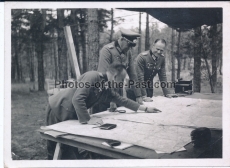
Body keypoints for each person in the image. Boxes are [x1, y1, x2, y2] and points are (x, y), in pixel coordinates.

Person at [46, 62, 161, 160]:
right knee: (55, 147)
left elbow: (122, 100)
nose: (121, 85)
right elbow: (77, 99)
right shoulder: (93, 76)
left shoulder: (106, 87)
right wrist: (88, 119)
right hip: (57, 108)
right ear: (114, 77)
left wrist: (145, 108)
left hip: (71, 112)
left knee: (69, 148)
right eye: (121, 81)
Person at [95, 28, 143, 113]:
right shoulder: (107, 50)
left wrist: (138, 95)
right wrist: (112, 100)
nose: (129, 49)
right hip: (104, 94)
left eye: (131, 46)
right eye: (128, 45)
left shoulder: (127, 52)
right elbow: (104, 77)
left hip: (118, 95)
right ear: (121, 39)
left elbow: (133, 75)